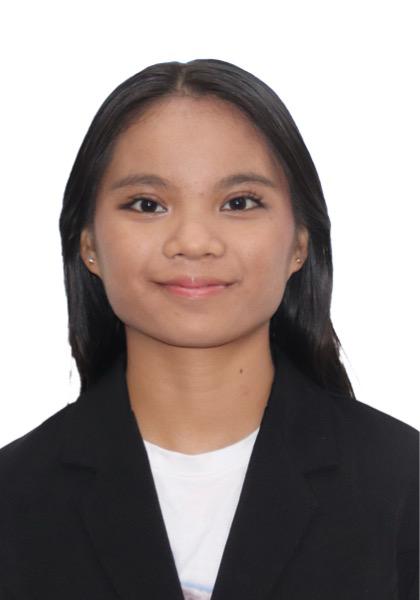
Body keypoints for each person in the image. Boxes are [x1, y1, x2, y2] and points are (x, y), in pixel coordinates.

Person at [0, 59, 418, 600]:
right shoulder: (14, 498)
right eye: (147, 204)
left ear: (299, 243)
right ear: (88, 245)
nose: (194, 241)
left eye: (239, 203)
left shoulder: (403, 482)